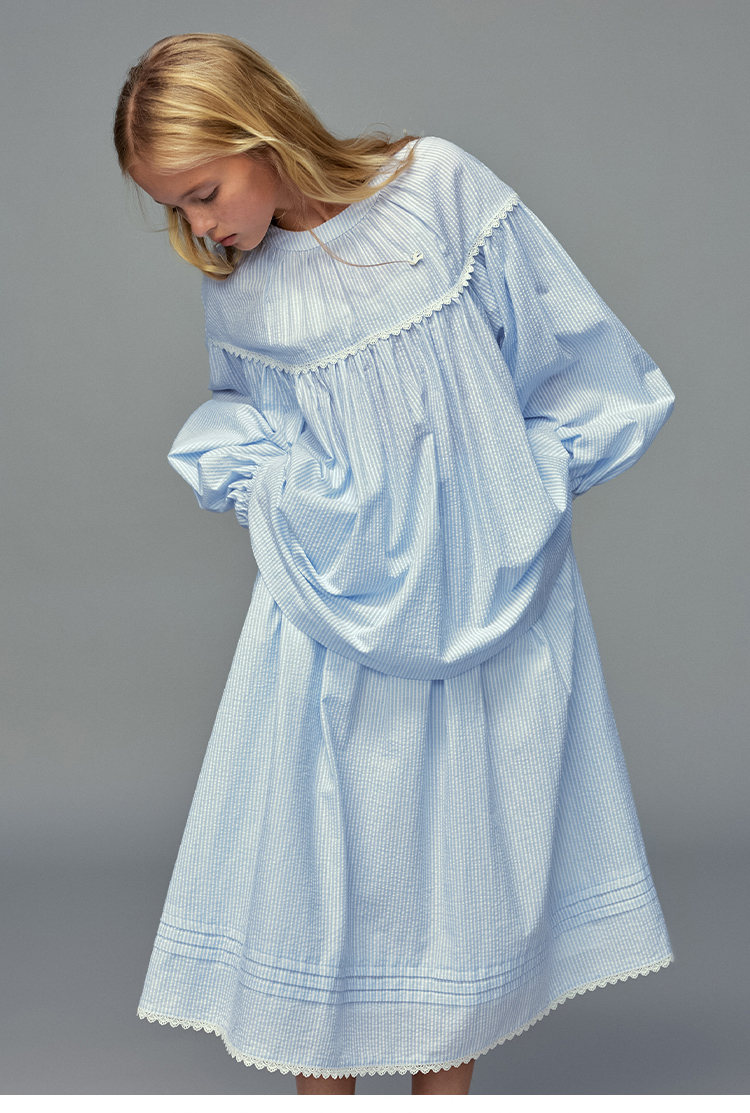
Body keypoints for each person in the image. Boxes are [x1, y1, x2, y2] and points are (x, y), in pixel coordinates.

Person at [114, 33, 675, 1097]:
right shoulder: (243, 290)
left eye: (203, 192)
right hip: (331, 606)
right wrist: (287, 499)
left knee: (459, 867)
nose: (200, 227)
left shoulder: (439, 193)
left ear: (260, 133)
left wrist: (517, 491)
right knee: (322, 866)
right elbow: (245, 421)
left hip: (485, 594)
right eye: (175, 210)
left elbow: (580, 359)